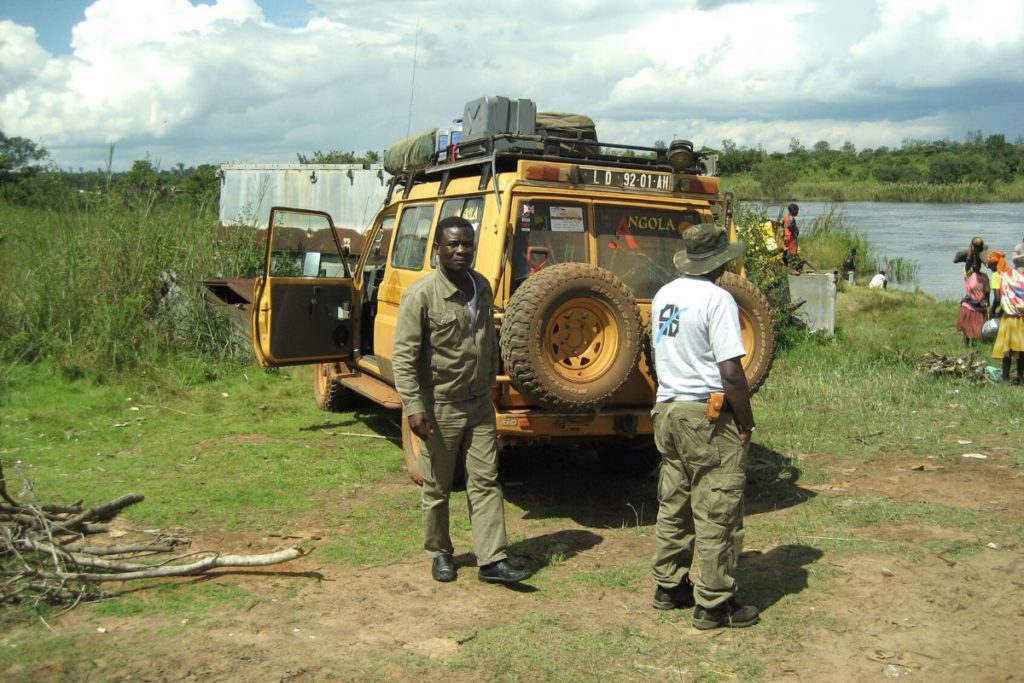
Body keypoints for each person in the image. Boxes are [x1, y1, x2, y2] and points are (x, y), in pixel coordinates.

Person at [392, 216, 532, 585]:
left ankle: (492, 559)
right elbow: (404, 359)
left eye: (466, 244)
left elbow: (487, 343)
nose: (460, 251)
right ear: (437, 249)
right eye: (452, 244)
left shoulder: (481, 287)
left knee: (486, 480)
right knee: (437, 485)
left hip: (478, 405)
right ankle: (440, 552)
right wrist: (414, 408)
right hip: (439, 406)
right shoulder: (421, 295)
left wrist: (490, 387)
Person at [648, 223, 759, 630]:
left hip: (668, 410)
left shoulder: (664, 295)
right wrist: (745, 422)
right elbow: (730, 372)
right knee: (718, 509)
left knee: (674, 500)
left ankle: (669, 584)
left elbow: (657, 348)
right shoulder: (718, 299)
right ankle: (714, 603)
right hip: (705, 415)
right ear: (721, 262)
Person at [992, 243, 1024, 384]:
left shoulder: (1007, 275)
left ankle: (1005, 377)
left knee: (1007, 351)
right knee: (1022, 352)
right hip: (1022, 319)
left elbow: (997, 261)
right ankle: (1020, 377)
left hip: (1009, 318)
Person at [956, 260, 989, 345]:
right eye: (973, 263)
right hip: (968, 304)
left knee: (978, 330)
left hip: (980, 306)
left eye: (977, 262)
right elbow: (967, 263)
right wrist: (972, 248)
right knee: (966, 327)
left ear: (981, 264)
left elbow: (987, 291)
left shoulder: (985, 276)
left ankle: (976, 344)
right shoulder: (968, 274)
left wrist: (987, 301)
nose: (975, 264)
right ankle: (966, 345)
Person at [782, 203, 800, 273]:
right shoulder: (792, 219)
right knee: (793, 253)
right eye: (797, 211)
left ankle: (788, 267)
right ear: (794, 211)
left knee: (789, 252)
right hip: (792, 238)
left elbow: (783, 224)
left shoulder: (786, 217)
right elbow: (790, 226)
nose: (797, 212)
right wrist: (794, 233)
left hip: (787, 237)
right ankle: (792, 269)